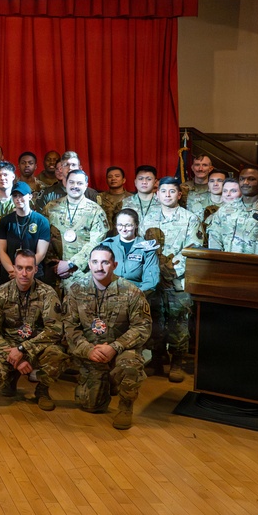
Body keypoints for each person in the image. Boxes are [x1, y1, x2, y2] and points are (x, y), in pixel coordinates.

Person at [63, 245, 152, 429]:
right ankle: (108, 380)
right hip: (92, 352)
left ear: (114, 265)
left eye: (105, 262)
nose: (99, 267)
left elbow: (142, 326)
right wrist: (88, 350)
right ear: (89, 264)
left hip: (122, 350)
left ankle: (125, 407)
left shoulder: (131, 291)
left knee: (130, 367)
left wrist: (115, 347)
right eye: (95, 262)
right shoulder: (76, 290)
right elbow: (70, 327)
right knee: (90, 405)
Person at [0, 249, 65, 411]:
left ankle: (42, 390)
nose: (24, 273)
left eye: (28, 268)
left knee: (57, 355)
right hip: (8, 346)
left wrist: (23, 349)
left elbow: (54, 330)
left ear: (36, 269)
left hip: (36, 345)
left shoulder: (47, 293)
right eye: (20, 268)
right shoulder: (0, 294)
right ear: (13, 268)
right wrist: (15, 358)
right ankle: (10, 379)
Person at [140, 177, 202, 382]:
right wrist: (152, 270)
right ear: (157, 194)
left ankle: (177, 361)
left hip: (178, 279)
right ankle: (157, 358)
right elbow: (141, 245)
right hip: (153, 278)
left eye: (172, 191)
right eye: (163, 191)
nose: (167, 195)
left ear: (179, 194)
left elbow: (193, 248)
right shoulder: (148, 218)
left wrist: (171, 270)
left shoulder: (190, 218)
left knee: (179, 321)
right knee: (155, 319)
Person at [44, 170, 109, 291]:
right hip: (54, 273)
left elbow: (96, 243)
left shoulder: (96, 211)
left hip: (82, 274)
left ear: (86, 185)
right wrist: (55, 265)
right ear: (65, 183)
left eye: (79, 183)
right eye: (71, 182)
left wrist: (71, 264)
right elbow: (43, 238)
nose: (75, 186)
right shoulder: (51, 207)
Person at [207, 166, 258, 256]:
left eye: (251, 179)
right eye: (242, 179)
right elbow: (214, 239)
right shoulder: (225, 210)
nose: (245, 182)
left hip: (257, 264)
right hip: (224, 263)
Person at [0, 181, 50, 282]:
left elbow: (41, 253)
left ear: (30, 196)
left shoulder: (41, 221)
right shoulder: (5, 221)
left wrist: (24, 271)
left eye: (21, 195)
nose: (18, 199)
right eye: (15, 196)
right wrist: (14, 271)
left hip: (33, 273)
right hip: (10, 274)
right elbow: (1, 251)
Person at [100, 209, 160, 294]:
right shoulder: (106, 245)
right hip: (108, 292)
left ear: (136, 225)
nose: (124, 229)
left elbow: (151, 281)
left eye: (128, 225)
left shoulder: (147, 249)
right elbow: (97, 272)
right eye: (120, 225)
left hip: (135, 293)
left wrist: (135, 295)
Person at [97, 166, 133, 232]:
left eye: (117, 176)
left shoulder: (132, 198)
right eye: (110, 177)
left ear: (123, 180)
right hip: (103, 234)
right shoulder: (99, 197)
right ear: (106, 180)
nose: (113, 178)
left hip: (125, 233)